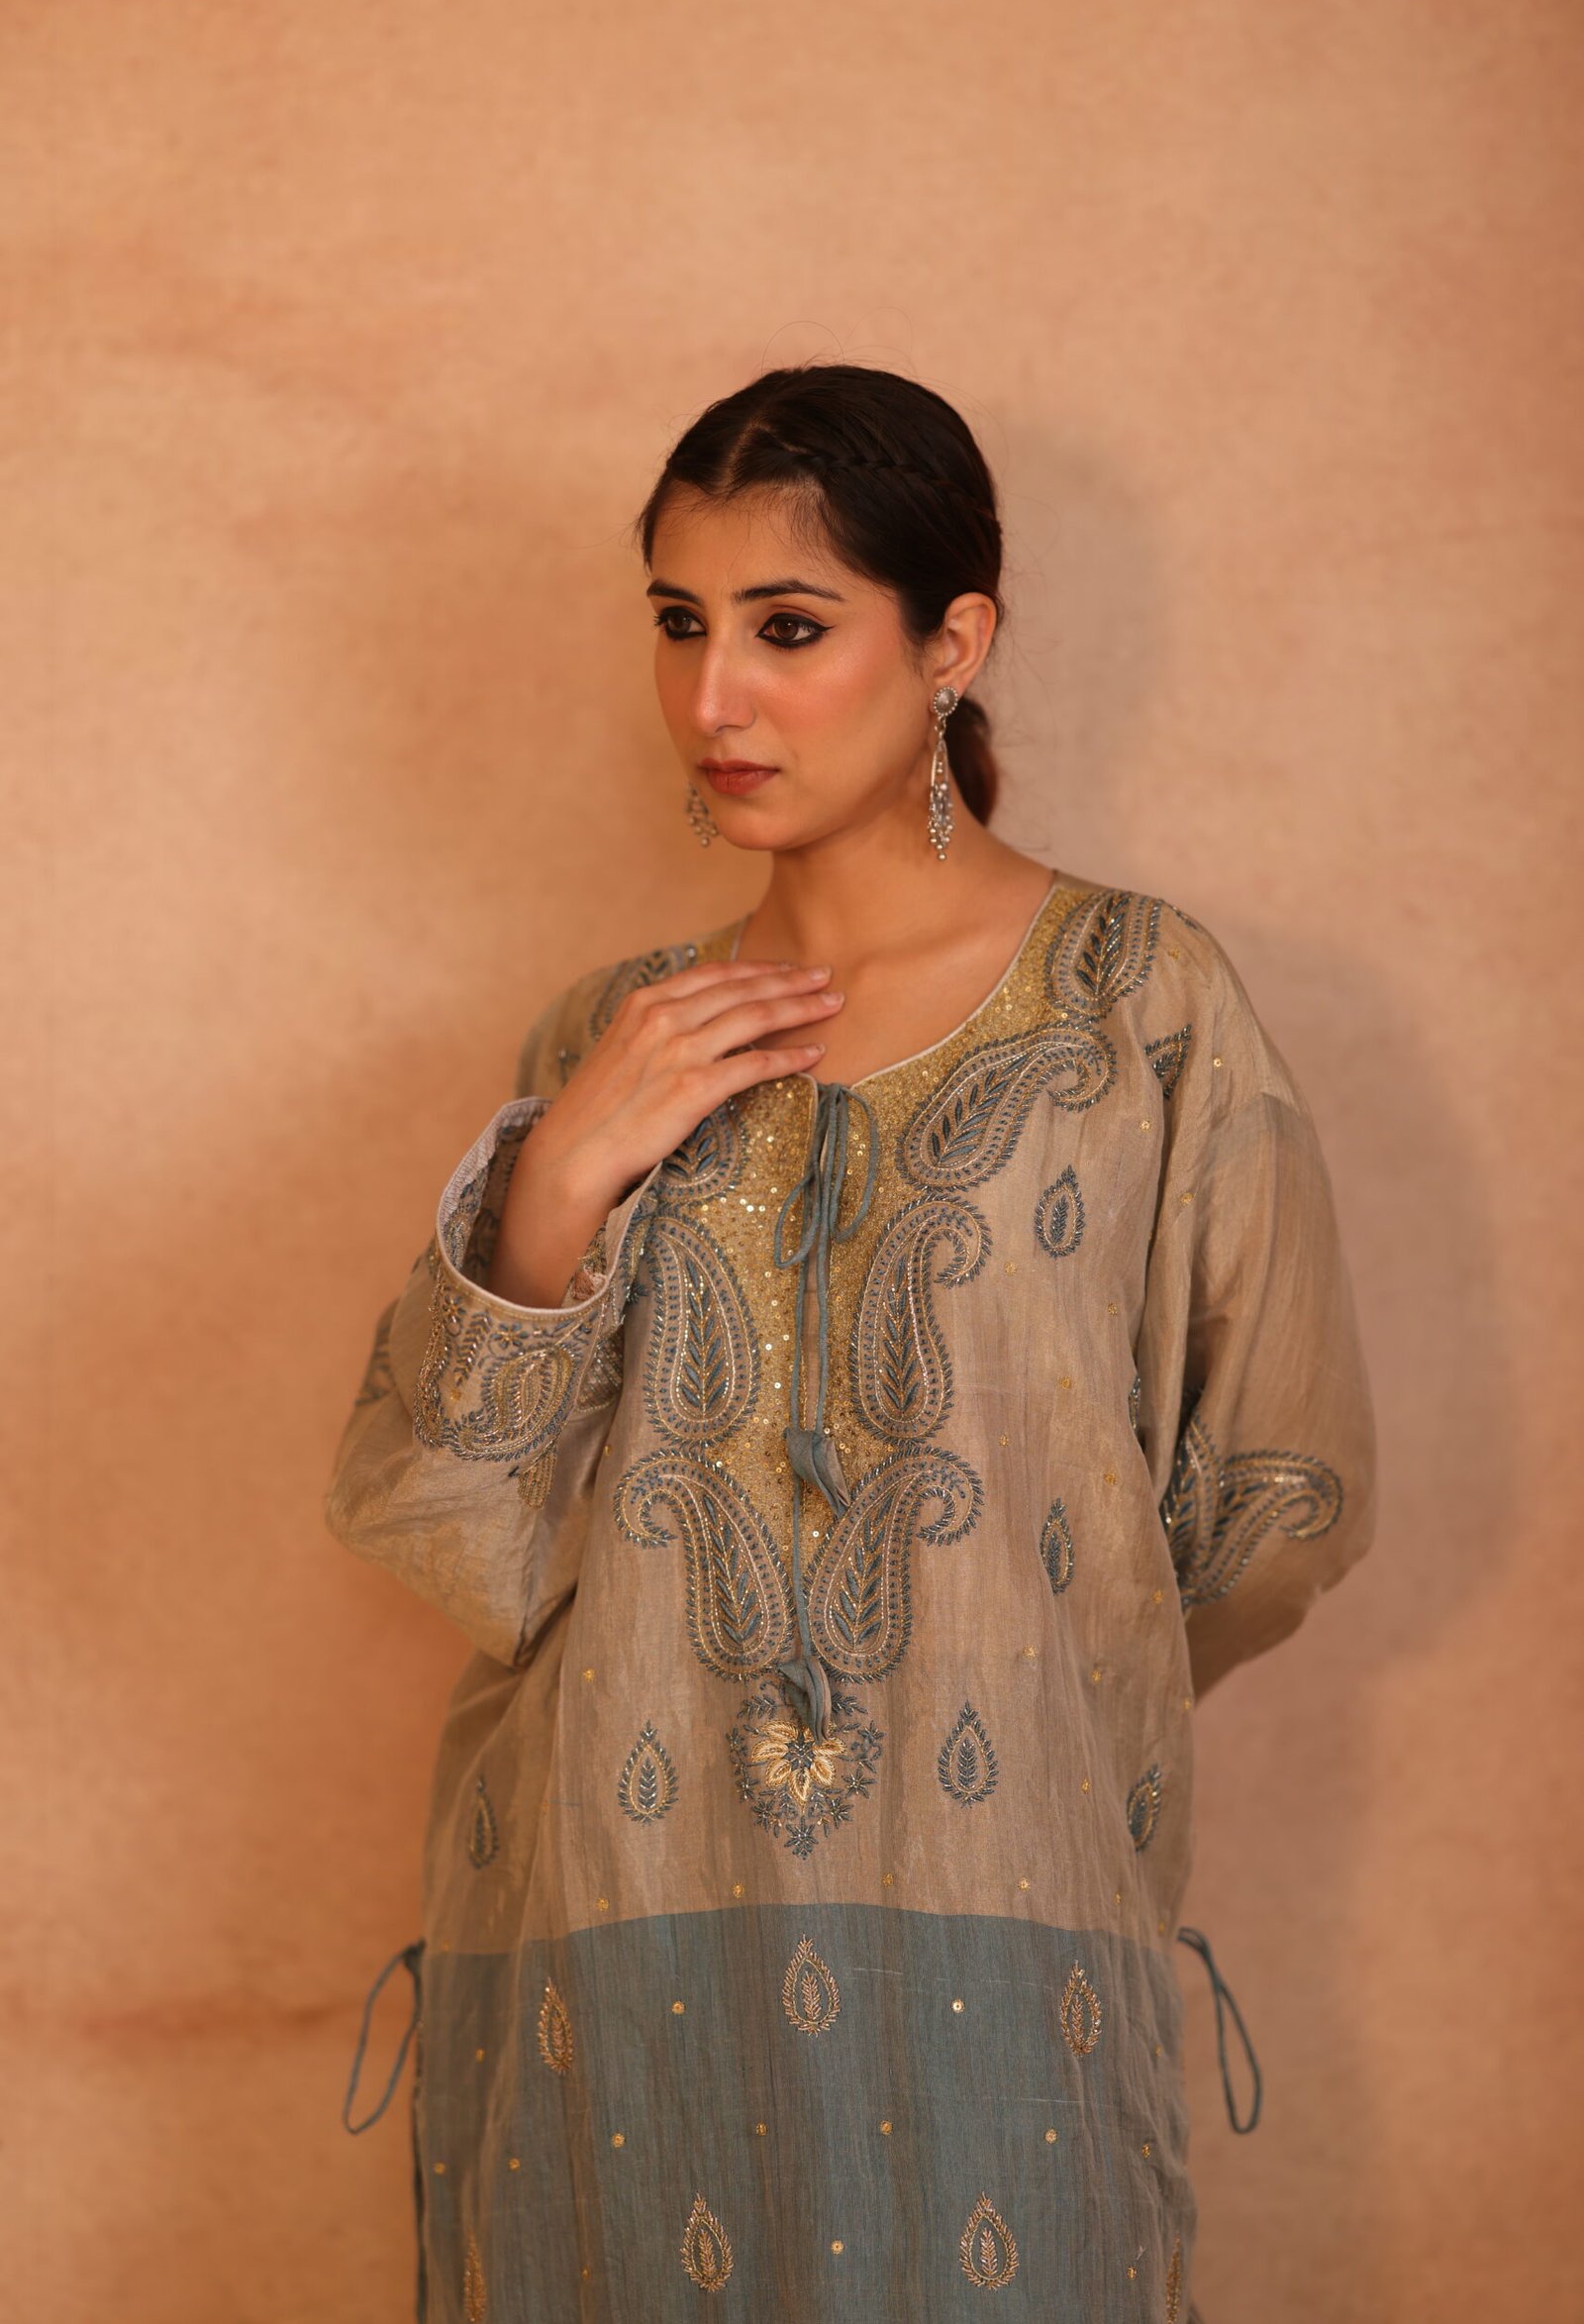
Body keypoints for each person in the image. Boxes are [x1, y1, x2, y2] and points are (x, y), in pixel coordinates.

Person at [326, 361, 1377, 2322]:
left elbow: (1275, 1493)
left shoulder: (1136, 1006)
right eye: (679, 622)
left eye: (787, 628)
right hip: (615, 1926)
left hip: (1005, 1928)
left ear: (951, 641)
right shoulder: (609, 1035)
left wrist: (1019, 1681)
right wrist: (556, 1186)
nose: (712, 696)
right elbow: (454, 1533)